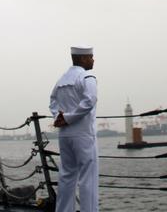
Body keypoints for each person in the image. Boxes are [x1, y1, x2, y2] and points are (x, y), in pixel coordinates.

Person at [49, 45, 98, 212]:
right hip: (83, 133)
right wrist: (68, 118)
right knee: (88, 178)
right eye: (91, 57)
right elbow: (90, 100)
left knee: (66, 176)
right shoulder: (87, 77)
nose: (93, 60)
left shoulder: (61, 80)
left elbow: (52, 101)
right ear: (83, 58)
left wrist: (58, 117)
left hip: (64, 135)